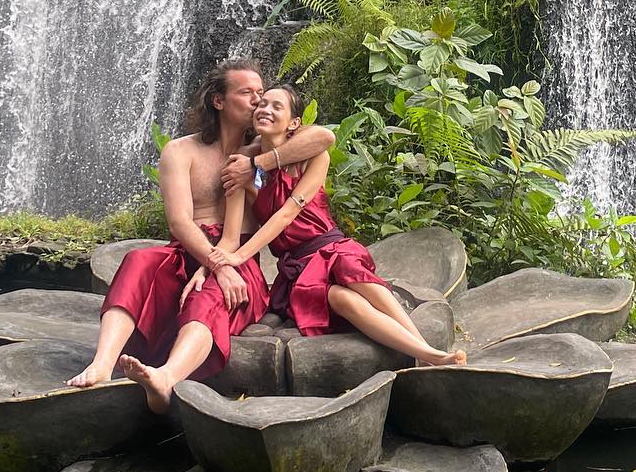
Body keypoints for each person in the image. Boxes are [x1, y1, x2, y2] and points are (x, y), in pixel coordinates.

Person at [67, 59, 335, 399]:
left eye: (261, 92)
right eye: (247, 93)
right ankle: (102, 365)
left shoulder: (267, 147)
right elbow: (179, 222)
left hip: (239, 258)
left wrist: (257, 164)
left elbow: (324, 137)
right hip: (191, 250)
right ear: (218, 100)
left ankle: (166, 378)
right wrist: (216, 264)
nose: (258, 100)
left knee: (211, 294)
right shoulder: (180, 151)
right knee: (139, 260)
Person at [202, 83, 466, 372]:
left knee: (353, 274)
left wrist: (239, 256)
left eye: (277, 106)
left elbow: (287, 214)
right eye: (262, 104)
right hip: (297, 268)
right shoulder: (242, 166)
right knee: (341, 299)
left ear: (294, 123)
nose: (265, 109)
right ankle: (425, 354)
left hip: (330, 248)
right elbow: (231, 233)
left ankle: (426, 351)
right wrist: (212, 264)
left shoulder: (314, 157)